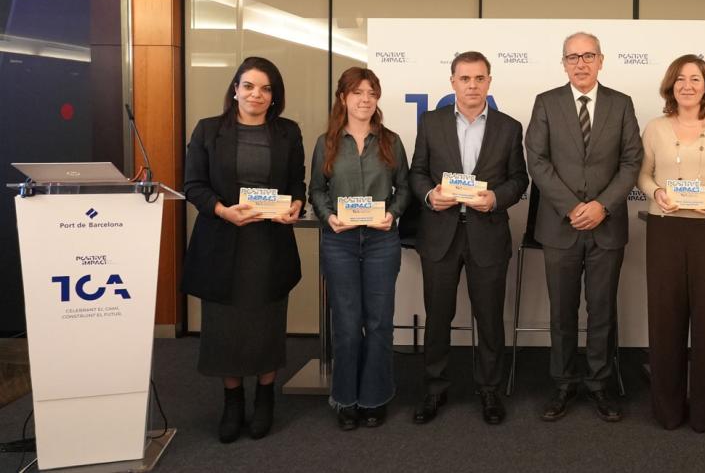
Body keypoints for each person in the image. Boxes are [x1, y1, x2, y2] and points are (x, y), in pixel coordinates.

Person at [182, 56, 305, 443]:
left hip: (269, 244)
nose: (257, 94)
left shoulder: (288, 132)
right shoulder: (207, 131)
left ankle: (265, 397)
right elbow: (194, 185)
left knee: (267, 323)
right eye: (249, 86)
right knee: (224, 329)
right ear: (235, 89)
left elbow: (296, 184)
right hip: (223, 241)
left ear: (274, 96)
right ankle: (232, 401)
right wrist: (222, 211)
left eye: (266, 88)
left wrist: (296, 206)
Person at [525, 31, 643, 423]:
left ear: (601, 60)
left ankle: (599, 384)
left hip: (606, 227)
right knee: (561, 311)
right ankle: (562, 384)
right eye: (572, 57)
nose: (580, 63)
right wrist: (574, 206)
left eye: (587, 55)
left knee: (602, 310)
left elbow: (631, 162)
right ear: (563, 63)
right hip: (560, 226)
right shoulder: (546, 103)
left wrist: (601, 207)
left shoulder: (621, 105)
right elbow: (537, 160)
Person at [408, 51, 529, 425]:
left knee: (490, 318)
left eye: (479, 78)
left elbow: (519, 179)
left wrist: (496, 199)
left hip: (487, 234)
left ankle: (490, 391)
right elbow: (418, 172)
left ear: (489, 82)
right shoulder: (430, 122)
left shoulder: (509, 127)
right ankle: (434, 390)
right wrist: (430, 196)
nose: (472, 85)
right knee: (438, 316)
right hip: (440, 233)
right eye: (465, 78)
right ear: (453, 82)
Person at [636, 54, 705, 432]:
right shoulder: (654, 128)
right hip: (666, 227)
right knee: (665, 316)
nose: (688, 85)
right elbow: (643, 174)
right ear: (671, 86)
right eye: (681, 79)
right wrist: (656, 192)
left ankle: (704, 413)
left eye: (696, 79)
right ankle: (667, 410)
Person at [309, 67, 410, 430]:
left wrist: (393, 215)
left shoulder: (391, 141)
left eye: (371, 92)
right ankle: (345, 398)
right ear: (343, 98)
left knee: (379, 322)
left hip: (382, 240)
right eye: (357, 93)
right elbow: (316, 189)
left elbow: (405, 189)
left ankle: (374, 397)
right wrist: (329, 217)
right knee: (348, 324)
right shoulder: (327, 142)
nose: (365, 99)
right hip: (341, 241)